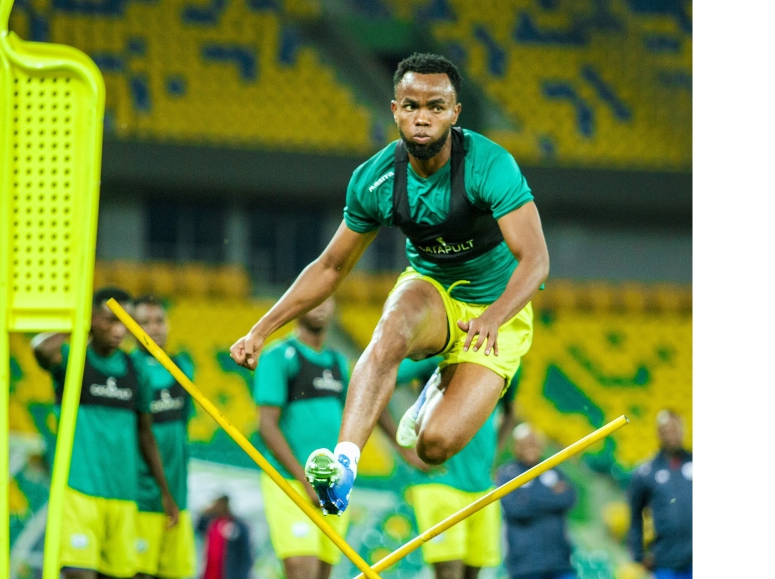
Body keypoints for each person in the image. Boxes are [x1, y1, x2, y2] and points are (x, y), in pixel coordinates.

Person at [230, 51, 549, 516]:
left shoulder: (488, 164)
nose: (423, 118)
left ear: (454, 114)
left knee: (434, 447)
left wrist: (495, 316)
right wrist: (262, 328)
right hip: (433, 290)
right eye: (412, 105)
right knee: (393, 325)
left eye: (436, 107)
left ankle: (436, 389)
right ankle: (343, 468)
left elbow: (536, 260)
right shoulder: (375, 180)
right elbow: (331, 267)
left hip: (500, 311)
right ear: (395, 109)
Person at [252, 297, 421, 579]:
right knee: (301, 571)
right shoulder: (279, 356)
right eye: (313, 299)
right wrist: (303, 481)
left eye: (327, 301)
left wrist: (403, 449)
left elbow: (368, 408)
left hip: (332, 485)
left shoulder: (339, 364)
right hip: (291, 482)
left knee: (322, 573)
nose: (320, 306)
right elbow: (267, 426)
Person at [32, 287, 180, 579]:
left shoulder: (135, 369)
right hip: (80, 490)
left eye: (124, 322)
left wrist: (165, 491)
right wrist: (80, 326)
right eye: (110, 320)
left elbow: (145, 435)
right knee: (78, 573)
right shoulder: (73, 360)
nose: (118, 330)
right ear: (93, 319)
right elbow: (40, 347)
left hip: (124, 493)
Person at [397, 363, 519, 579]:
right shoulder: (441, 345)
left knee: (472, 574)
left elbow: (511, 412)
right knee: (448, 574)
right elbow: (385, 378)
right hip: (440, 481)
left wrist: (493, 454)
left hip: (482, 487)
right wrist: (404, 450)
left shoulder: (509, 354)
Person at [131, 295, 198, 579]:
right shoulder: (128, 368)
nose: (154, 328)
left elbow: (182, 427)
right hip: (142, 498)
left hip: (178, 498)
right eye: (144, 322)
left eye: (159, 320)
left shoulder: (183, 367)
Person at [496, 423, 577, 579]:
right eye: (526, 443)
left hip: (560, 562)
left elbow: (568, 498)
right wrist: (551, 495)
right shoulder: (508, 474)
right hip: (525, 566)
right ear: (516, 447)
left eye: (535, 443)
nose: (531, 447)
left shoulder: (553, 470)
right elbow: (515, 508)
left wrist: (527, 497)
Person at [627, 410, 693, 579]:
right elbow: (635, 515)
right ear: (659, 433)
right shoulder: (646, 472)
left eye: (675, 429)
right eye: (667, 430)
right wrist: (639, 554)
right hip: (665, 560)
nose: (672, 434)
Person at [195, 495, 254, 579]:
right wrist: (205, 512)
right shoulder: (211, 522)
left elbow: (246, 555)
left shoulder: (238, 525)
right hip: (209, 574)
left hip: (229, 574)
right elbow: (198, 527)